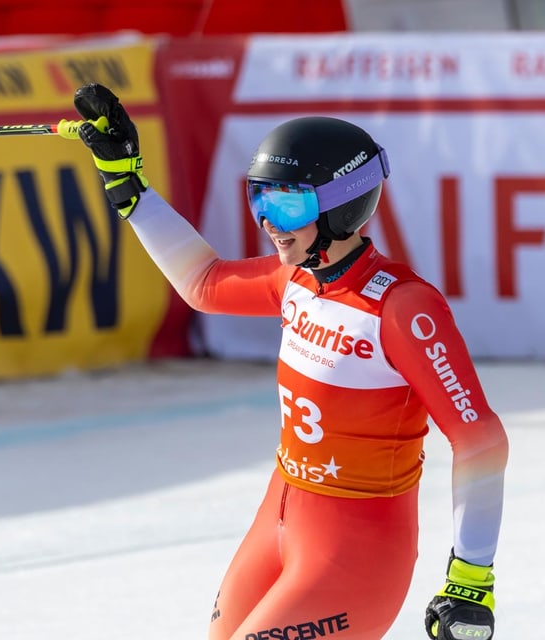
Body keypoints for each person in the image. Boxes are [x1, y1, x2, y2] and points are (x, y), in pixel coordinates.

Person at [72, 83, 509, 640]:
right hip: (280, 518)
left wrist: (471, 578)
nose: (268, 221)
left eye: (286, 203)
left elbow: (480, 440)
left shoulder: (402, 308)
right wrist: (129, 189)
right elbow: (204, 283)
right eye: (259, 199)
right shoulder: (297, 280)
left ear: (341, 204)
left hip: (356, 549)